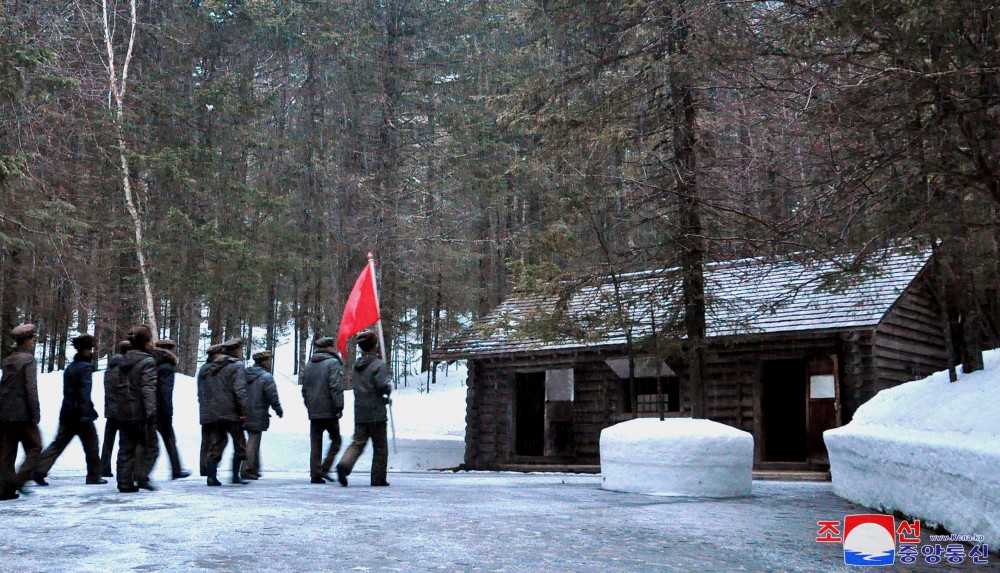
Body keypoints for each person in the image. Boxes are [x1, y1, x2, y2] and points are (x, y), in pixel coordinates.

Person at [33, 334, 105, 486]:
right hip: (81, 414)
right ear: (86, 350)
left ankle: (39, 470)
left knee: (58, 444)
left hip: (67, 412)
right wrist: (87, 412)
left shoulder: (70, 367)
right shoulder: (85, 368)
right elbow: (84, 393)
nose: (92, 352)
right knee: (92, 445)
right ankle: (93, 476)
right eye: (90, 349)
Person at [336, 330, 392, 487]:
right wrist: (388, 388)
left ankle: (345, 464)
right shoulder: (379, 365)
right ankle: (378, 478)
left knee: (358, 442)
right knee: (380, 446)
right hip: (377, 413)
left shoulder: (356, 366)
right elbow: (381, 386)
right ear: (374, 346)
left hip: (360, 411)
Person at [198, 338, 250, 486]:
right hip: (231, 412)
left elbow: (201, 392)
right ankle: (235, 476)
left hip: (212, 413)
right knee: (240, 443)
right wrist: (243, 410)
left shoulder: (205, 368)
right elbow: (240, 390)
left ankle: (211, 476)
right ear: (236, 350)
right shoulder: (236, 366)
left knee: (217, 443)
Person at [114, 325, 159, 493]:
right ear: (146, 342)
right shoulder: (148, 361)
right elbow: (148, 389)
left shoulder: (123, 360)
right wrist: (150, 412)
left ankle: (124, 481)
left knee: (126, 447)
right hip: (139, 411)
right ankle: (140, 476)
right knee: (151, 446)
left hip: (123, 410)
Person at [0, 324, 42, 500]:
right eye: (32, 338)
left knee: (6, 452)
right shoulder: (28, 360)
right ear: (26, 340)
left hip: (4, 411)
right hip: (22, 412)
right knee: (35, 446)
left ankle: (5, 489)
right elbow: (30, 388)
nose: (33, 341)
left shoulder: (8, 360)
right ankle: (19, 480)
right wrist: (35, 412)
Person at [300, 336, 344, 484]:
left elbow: (304, 389)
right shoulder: (333, 363)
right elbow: (335, 386)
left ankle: (315, 473)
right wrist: (338, 407)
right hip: (329, 410)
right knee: (336, 440)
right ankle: (325, 468)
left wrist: (309, 406)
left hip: (314, 410)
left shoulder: (309, 365)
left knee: (315, 443)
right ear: (330, 347)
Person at [152, 339, 190, 479]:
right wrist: (167, 411)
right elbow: (165, 391)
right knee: (169, 440)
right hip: (161, 410)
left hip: (150, 408)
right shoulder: (167, 367)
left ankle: (176, 469)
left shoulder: (153, 363)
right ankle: (176, 469)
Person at [242, 351, 283, 480]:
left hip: (242, 411)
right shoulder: (266, 377)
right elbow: (272, 396)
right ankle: (247, 469)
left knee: (252, 441)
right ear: (264, 362)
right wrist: (278, 409)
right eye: (268, 360)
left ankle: (254, 468)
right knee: (253, 441)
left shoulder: (243, 374)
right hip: (258, 412)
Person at [100, 340, 130, 478]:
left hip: (110, 410)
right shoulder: (124, 370)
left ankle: (104, 467)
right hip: (123, 410)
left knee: (108, 441)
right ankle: (125, 470)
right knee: (126, 441)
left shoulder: (109, 369)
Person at [197, 343, 223, 477]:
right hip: (214, 409)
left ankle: (204, 466)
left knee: (206, 439)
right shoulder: (214, 370)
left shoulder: (203, 369)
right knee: (215, 439)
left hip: (205, 408)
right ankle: (209, 466)